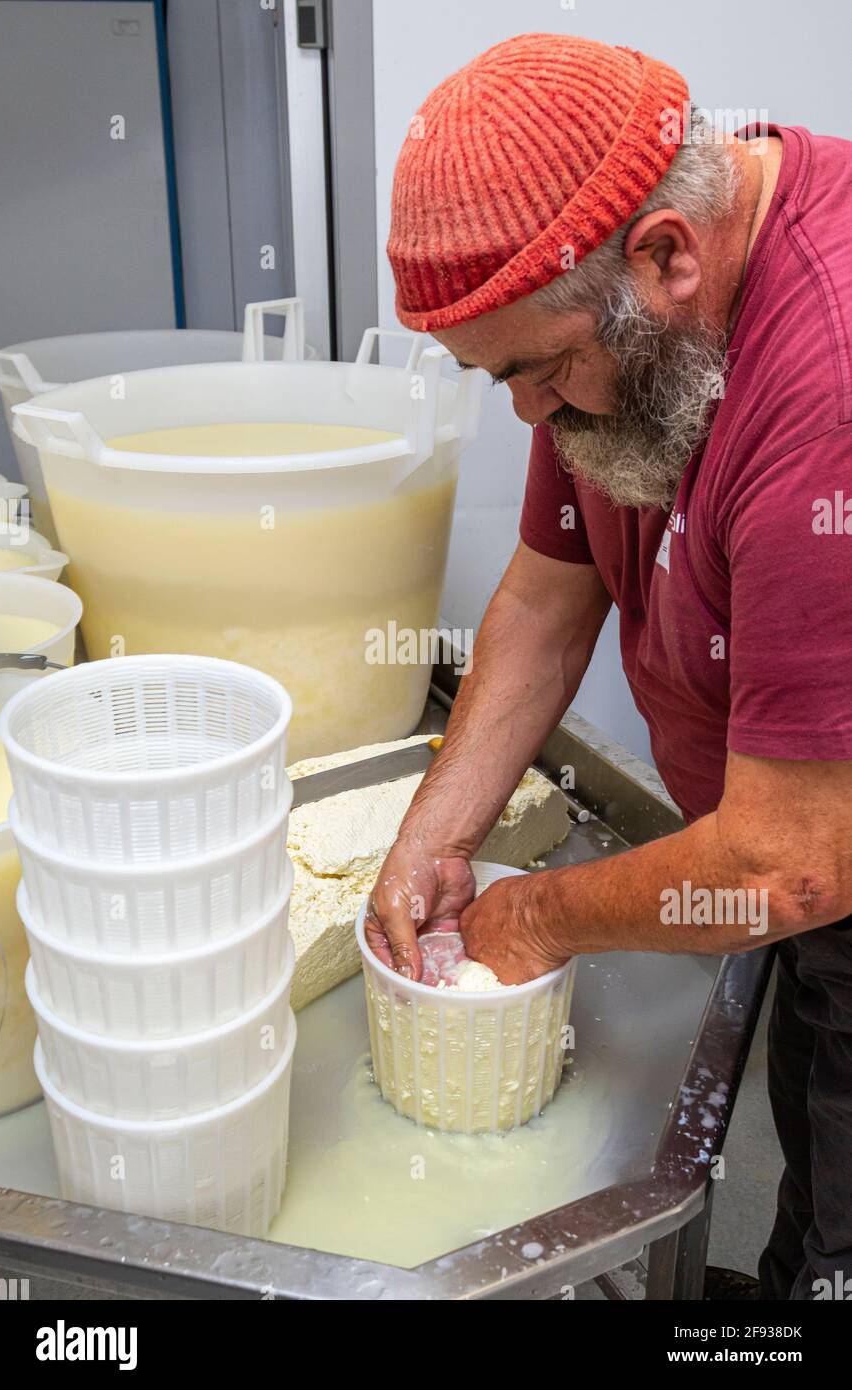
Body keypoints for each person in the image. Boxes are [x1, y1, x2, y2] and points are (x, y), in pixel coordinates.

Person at [366, 32, 852, 1301]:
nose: (527, 413)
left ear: (664, 255)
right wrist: (434, 832)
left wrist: (529, 916)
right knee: (810, 1103)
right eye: (496, 378)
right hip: (804, 861)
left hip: (820, 845)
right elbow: (547, 588)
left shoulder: (826, 390)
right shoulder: (614, 343)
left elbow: (789, 862)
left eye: (532, 369)